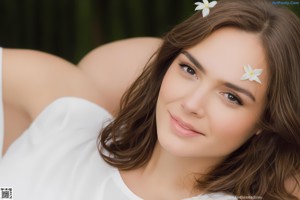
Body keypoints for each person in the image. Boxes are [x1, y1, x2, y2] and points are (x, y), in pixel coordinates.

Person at [0, 0, 299, 200]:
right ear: (166, 65)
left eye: (231, 96)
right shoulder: (66, 118)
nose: (192, 104)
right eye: (189, 69)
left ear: (265, 120)